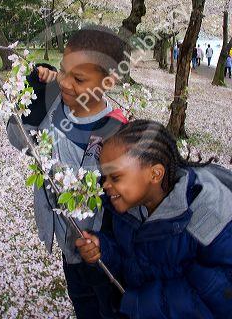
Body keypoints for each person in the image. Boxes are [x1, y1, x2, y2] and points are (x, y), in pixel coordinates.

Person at [7, 25, 128, 319]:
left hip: (101, 255)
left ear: (108, 83)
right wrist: (34, 92)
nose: (65, 83)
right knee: (83, 306)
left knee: (109, 310)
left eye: (79, 78)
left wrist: (106, 248)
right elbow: (18, 139)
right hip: (69, 247)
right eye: (63, 71)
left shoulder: (114, 134)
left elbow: (124, 209)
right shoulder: (52, 107)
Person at [76, 120, 232, 318]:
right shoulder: (128, 207)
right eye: (104, 177)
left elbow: (217, 294)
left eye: (115, 177)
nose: (105, 186)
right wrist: (103, 250)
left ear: (155, 174)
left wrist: (140, 304)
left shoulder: (207, 217)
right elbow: (129, 256)